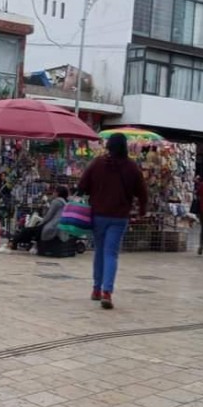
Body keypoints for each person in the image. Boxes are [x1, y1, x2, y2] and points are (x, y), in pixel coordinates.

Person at [77, 133, 147, 310]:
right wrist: (142, 211)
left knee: (99, 251)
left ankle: (96, 289)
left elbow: (82, 186)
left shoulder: (98, 163)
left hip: (98, 214)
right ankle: (107, 291)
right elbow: (143, 193)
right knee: (111, 254)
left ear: (109, 146)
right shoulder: (132, 167)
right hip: (119, 216)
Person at [8, 186, 69, 251]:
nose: (53, 193)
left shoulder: (56, 202)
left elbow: (48, 216)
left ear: (58, 193)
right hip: (57, 227)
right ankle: (15, 243)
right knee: (31, 232)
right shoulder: (66, 203)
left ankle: (13, 243)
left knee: (27, 231)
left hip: (51, 228)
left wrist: (40, 224)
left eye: (55, 192)